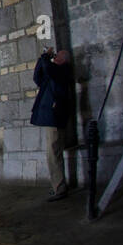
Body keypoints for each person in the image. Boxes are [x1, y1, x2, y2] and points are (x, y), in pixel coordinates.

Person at [31, 47, 75, 201]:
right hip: (51, 117)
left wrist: (46, 56)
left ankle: (60, 188)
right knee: (53, 153)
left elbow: (49, 69)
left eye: (57, 56)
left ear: (63, 59)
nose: (55, 58)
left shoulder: (62, 71)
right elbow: (37, 77)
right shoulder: (54, 72)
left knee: (53, 153)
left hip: (55, 117)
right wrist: (41, 58)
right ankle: (58, 186)